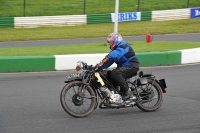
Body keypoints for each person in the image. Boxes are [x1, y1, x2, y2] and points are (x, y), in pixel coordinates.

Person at [95, 33, 140, 100]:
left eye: (111, 42)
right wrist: (98, 67)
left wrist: (106, 58)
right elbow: (108, 62)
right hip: (124, 67)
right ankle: (115, 93)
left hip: (132, 66)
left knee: (115, 73)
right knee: (108, 73)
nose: (110, 44)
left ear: (116, 40)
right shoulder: (116, 50)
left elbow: (114, 54)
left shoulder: (123, 45)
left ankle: (128, 92)